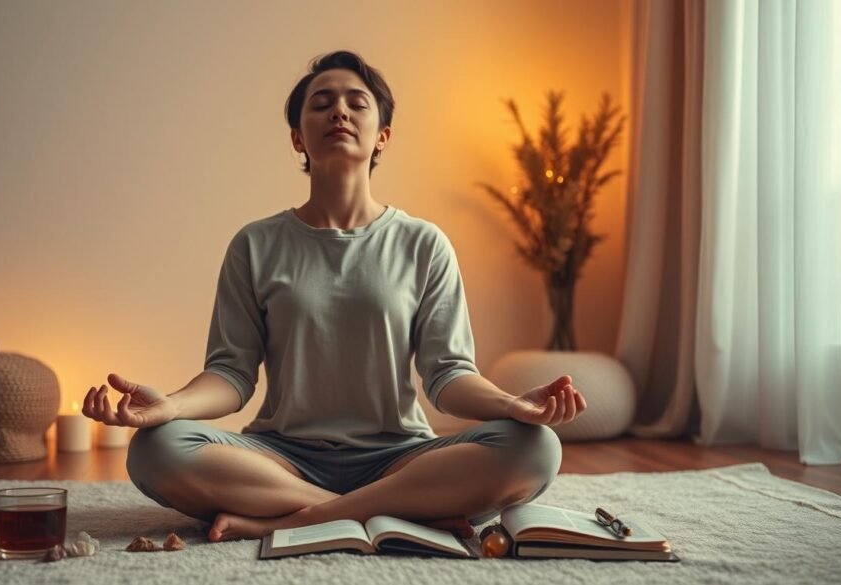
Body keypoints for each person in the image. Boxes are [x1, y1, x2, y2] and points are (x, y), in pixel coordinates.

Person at [81, 50, 587, 543]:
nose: (339, 110)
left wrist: (510, 404)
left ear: (382, 135)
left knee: (536, 447)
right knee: (156, 449)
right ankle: (394, 510)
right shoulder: (255, 244)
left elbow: (448, 374)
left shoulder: (422, 243)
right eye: (321, 103)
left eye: (356, 102)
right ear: (299, 138)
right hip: (279, 455)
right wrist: (170, 405)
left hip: (400, 458)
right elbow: (231, 374)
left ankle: (299, 518)